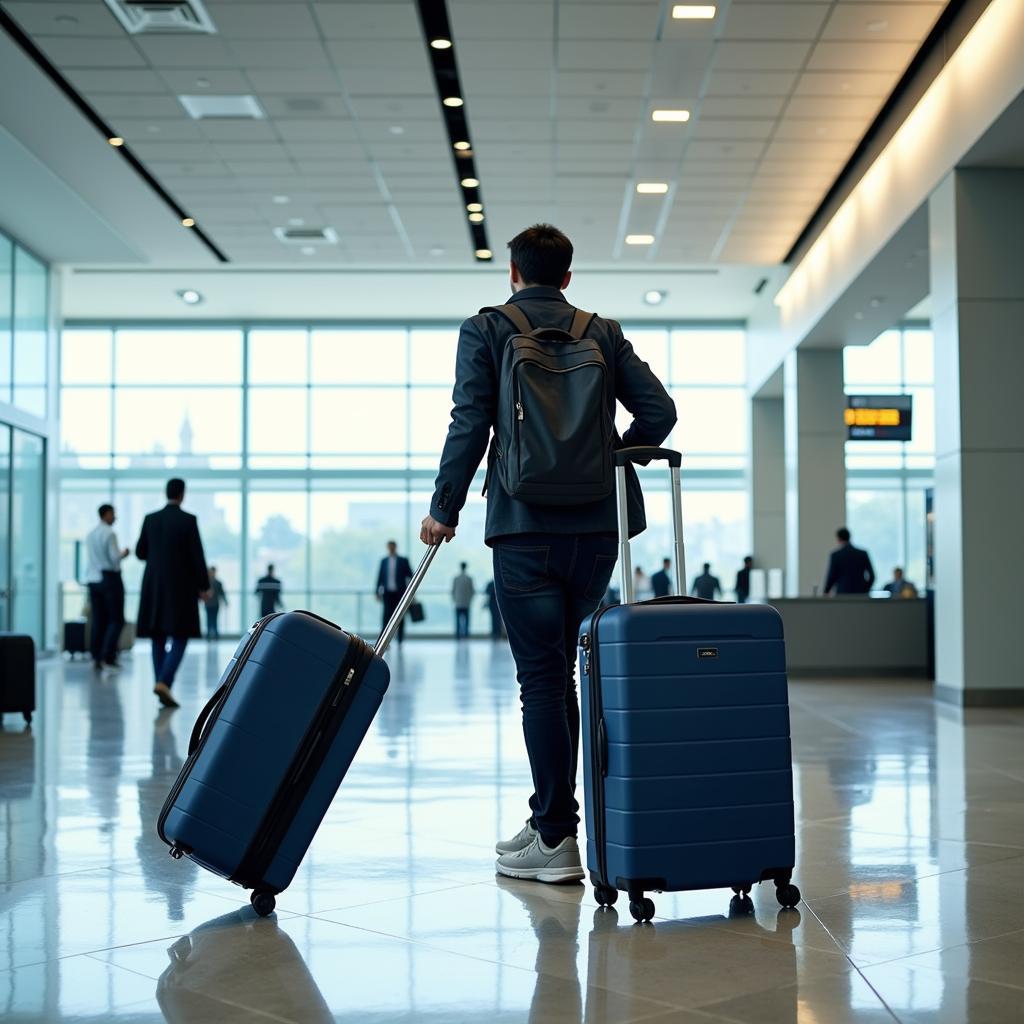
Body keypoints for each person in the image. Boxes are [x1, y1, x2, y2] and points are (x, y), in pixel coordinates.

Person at [418, 223, 676, 885]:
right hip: (595, 531)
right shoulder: (602, 332)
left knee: (543, 680)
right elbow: (661, 412)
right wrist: (608, 453)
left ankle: (557, 835)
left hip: (523, 526)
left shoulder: (486, 329)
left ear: (513, 272)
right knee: (569, 673)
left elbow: (469, 421)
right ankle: (551, 822)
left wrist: (444, 508)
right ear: (566, 276)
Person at [136, 478, 210, 709]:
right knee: (181, 634)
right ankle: (164, 681)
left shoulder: (151, 519)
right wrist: (204, 586)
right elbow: (197, 556)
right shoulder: (188, 521)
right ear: (182, 494)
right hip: (181, 585)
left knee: (157, 634)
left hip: (154, 584)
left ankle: (161, 682)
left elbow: (140, 552)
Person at [84, 503, 129, 673]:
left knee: (98, 619)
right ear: (106, 514)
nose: (115, 517)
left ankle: (96, 657)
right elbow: (114, 558)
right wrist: (124, 553)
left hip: (93, 580)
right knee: (117, 620)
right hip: (109, 578)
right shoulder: (110, 533)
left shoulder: (91, 534)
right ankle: (107, 657)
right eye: (113, 514)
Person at [376, 541, 413, 644]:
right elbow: (379, 577)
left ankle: (400, 640)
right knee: (386, 617)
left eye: (393, 546)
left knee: (400, 617)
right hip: (387, 594)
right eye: (389, 547)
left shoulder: (403, 561)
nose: (391, 548)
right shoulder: (384, 561)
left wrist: (411, 593)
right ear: (388, 547)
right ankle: (384, 641)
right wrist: (377, 592)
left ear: (395, 547)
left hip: (400, 593)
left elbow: (411, 576)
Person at [824, 527, 875, 595]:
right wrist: (865, 589)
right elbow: (872, 576)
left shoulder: (836, 555)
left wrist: (826, 592)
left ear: (839, 538)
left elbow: (831, 576)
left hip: (842, 593)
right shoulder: (862, 554)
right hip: (860, 594)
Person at [203, 566, 228, 639]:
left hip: (215, 604)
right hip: (208, 604)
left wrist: (225, 601)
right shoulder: (207, 582)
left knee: (214, 620)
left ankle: (215, 635)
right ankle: (209, 635)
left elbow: (222, 593)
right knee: (209, 619)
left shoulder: (218, 583)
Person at [452, 562, 475, 638]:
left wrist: (454, 599)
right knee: (467, 620)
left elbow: (453, 590)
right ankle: (466, 635)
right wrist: (470, 600)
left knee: (458, 620)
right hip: (466, 603)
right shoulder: (469, 579)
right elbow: (472, 591)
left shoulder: (456, 578)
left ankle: (458, 635)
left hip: (458, 602)